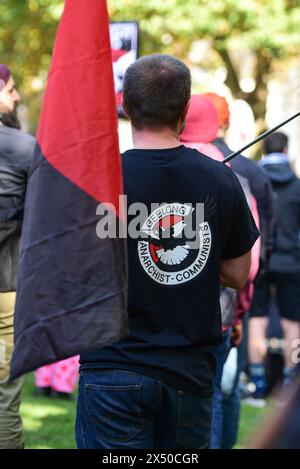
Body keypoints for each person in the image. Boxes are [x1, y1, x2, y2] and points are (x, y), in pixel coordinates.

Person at [75, 54, 259, 449]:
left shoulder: (95, 181)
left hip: (112, 368)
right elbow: (238, 272)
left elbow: (71, 268)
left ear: (125, 106)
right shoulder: (219, 179)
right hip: (186, 372)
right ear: (185, 107)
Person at [180, 94, 260, 449]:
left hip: (159, 316)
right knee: (209, 397)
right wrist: (240, 312)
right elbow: (249, 264)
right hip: (220, 315)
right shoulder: (234, 180)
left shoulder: (156, 169)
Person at [204, 92, 274, 447]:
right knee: (221, 389)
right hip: (228, 305)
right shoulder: (248, 173)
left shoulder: (237, 174)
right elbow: (257, 255)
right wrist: (242, 310)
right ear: (225, 121)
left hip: (218, 303)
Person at [0, 64, 35, 449]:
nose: (18, 96)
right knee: (4, 396)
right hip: (5, 293)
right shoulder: (23, 147)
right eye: (11, 89)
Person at [250, 132, 300, 391]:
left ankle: (257, 383)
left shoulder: (254, 181)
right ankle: (290, 382)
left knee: (257, 318)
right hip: (291, 261)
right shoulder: (297, 185)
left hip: (260, 260)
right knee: (292, 322)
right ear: (287, 148)